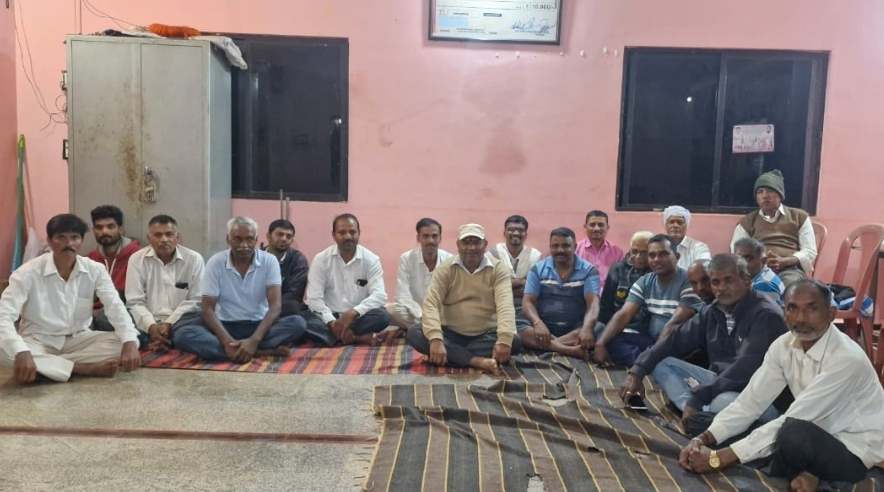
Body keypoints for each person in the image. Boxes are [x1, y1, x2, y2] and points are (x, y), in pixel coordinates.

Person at [679, 279, 884, 491]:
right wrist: (702, 439)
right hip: (813, 428)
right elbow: (750, 402)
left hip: (855, 446)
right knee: (702, 423)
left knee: (790, 433)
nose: (801, 318)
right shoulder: (783, 345)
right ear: (784, 312)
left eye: (812, 308)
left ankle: (812, 473)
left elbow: (796, 418)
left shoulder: (847, 359)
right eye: (792, 308)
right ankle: (805, 471)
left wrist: (718, 459)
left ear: (831, 314)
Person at [621, 254, 786, 427]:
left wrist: (698, 397)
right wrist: (636, 372)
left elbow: (744, 369)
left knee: (720, 402)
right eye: (715, 282)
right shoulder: (713, 311)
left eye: (728, 280)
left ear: (746, 280)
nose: (721, 288)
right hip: (721, 382)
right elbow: (674, 340)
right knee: (661, 363)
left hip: (760, 395)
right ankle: (700, 417)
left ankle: (702, 416)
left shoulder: (765, 315)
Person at [0, 214, 141, 383]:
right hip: (38, 340)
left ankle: (49, 367)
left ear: (81, 241)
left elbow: (115, 306)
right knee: (6, 351)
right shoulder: (27, 273)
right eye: (61, 237)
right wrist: (22, 352)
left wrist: (129, 341)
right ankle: (80, 368)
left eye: (74, 237)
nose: (69, 244)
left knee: (125, 342)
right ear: (50, 241)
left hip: (78, 340)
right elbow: (3, 316)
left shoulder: (95, 270)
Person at [172, 217, 306, 361]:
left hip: (259, 325)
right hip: (224, 325)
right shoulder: (216, 262)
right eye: (238, 239)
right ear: (228, 239)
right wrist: (226, 342)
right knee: (182, 334)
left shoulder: (269, 261)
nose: (244, 245)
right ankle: (259, 352)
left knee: (298, 323)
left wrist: (254, 340)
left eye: (249, 239)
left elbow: (275, 306)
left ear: (256, 240)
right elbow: (207, 309)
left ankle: (238, 350)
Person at [406, 223, 522, 374]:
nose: (471, 248)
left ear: (485, 244)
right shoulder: (446, 269)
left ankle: (453, 356)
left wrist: (504, 340)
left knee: (514, 341)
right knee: (415, 333)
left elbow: (505, 305)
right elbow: (431, 304)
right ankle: (477, 361)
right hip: (451, 333)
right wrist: (435, 339)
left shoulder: (498, 269)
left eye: (476, 242)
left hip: (485, 335)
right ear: (458, 245)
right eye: (466, 242)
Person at [593, 234, 704, 367]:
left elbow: (675, 323)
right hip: (653, 341)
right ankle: (654, 363)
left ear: (677, 256)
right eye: (652, 255)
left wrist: (653, 354)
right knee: (608, 338)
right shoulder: (645, 281)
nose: (657, 259)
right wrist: (600, 344)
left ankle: (648, 363)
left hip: (679, 343)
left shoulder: (689, 281)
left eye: (663, 254)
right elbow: (624, 314)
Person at [305, 213, 391, 346]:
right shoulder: (321, 259)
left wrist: (354, 312)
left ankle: (333, 338)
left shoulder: (371, 260)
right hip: (329, 316)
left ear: (359, 233)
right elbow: (314, 298)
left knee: (382, 317)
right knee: (304, 319)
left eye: (352, 232)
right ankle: (357, 338)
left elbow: (379, 295)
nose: (348, 237)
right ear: (333, 235)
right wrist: (331, 322)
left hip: (357, 318)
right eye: (342, 232)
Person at [125, 214, 204, 351]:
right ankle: (160, 339)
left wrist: (169, 323)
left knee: (187, 333)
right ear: (149, 238)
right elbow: (134, 301)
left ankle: (154, 341)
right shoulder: (136, 259)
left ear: (177, 237)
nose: (164, 239)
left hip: (181, 322)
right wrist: (151, 326)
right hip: (146, 321)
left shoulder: (194, 259)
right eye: (158, 235)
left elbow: (197, 300)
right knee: (111, 321)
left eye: (169, 234)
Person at [519, 227, 600, 358]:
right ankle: (569, 350)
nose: (560, 250)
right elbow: (528, 301)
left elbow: (593, 303)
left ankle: (549, 346)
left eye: (565, 246)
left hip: (574, 328)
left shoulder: (589, 271)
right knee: (518, 326)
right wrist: (538, 323)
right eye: (555, 246)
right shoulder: (537, 269)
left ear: (575, 246)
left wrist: (587, 328)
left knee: (597, 328)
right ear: (550, 247)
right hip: (543, 327)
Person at [730, 169, 816, 288]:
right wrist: (759, 262)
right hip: (756, 270)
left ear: (780, 195)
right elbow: (736, 251)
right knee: (748, 286)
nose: (765, 196)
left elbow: (810, 251)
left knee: (789, 286)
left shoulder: (799, 217)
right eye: (760, 192)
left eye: (770, 191)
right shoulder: (747, 221)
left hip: (789, 269)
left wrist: (786, 261)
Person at [387, 218, 453, 333]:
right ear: (418, 238)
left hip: (440, 314)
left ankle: (416, 330)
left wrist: (433, 316)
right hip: (415, 313)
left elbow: (452, 296)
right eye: (426, 236)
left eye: (434, 236)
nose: (430, 240)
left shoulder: (449, 260)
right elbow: (402, 295)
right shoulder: (407, 258)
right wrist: (421, 315)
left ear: (440, 238)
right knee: (389, 311)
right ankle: (430, 329)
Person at [87, 205, 142, 331]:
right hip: (95, 313)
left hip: (126, 309)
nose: (104, 231)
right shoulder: (90, 259)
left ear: (121, 229)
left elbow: (135, 297)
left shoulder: (137, 256)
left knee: (105, 318)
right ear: (93, 230)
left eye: (110, 226)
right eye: (99, 227)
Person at [597, 231, 653, 329]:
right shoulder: (617, 269)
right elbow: (605, 307)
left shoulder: (656, 272)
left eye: (644, 253)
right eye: (634, 251)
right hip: (613, 324)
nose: (638, 256)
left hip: (642, 328)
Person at [489, 215, 542, 314]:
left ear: (526, 234)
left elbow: (532, 289)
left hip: (525, 308)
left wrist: (505, 284)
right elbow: (491, 287)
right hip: (496, 307)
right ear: (504, 233)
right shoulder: (494, 253)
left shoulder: (535, 256)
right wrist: (522, 281)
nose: (516, 233)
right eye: (511, 230)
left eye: (520, 230)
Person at [263, 219, 309, 317]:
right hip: (257, 308)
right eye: (280, 234)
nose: (284, 239)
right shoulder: (256, 258)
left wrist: (271, 308)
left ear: (292, 240)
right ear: (268, 236)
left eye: (288, 236)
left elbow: (294, 294)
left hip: (283, 309)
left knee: (294, 309)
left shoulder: (298, 260)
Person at [575, 210, 624, 289]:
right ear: (585, 227)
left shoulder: (617, 252)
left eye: (601, 225)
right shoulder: (575, 249)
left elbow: (620, 278)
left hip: (608, 294)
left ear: (607, 227)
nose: (596, 228)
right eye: (592, 225)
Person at [733, 237, 785, 306]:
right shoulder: (758, 276)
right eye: (739, 259)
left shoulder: (764, 284)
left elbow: (767, 311)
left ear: (763, 261)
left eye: (748, 259)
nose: (743, 263)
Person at [663, 205, 711, 270]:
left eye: (680, 222)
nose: (675, 225)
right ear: (666, 225)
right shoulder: (659, 246)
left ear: (686, 226)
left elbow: (705, 269)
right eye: (671, 222)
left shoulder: (699, 247)